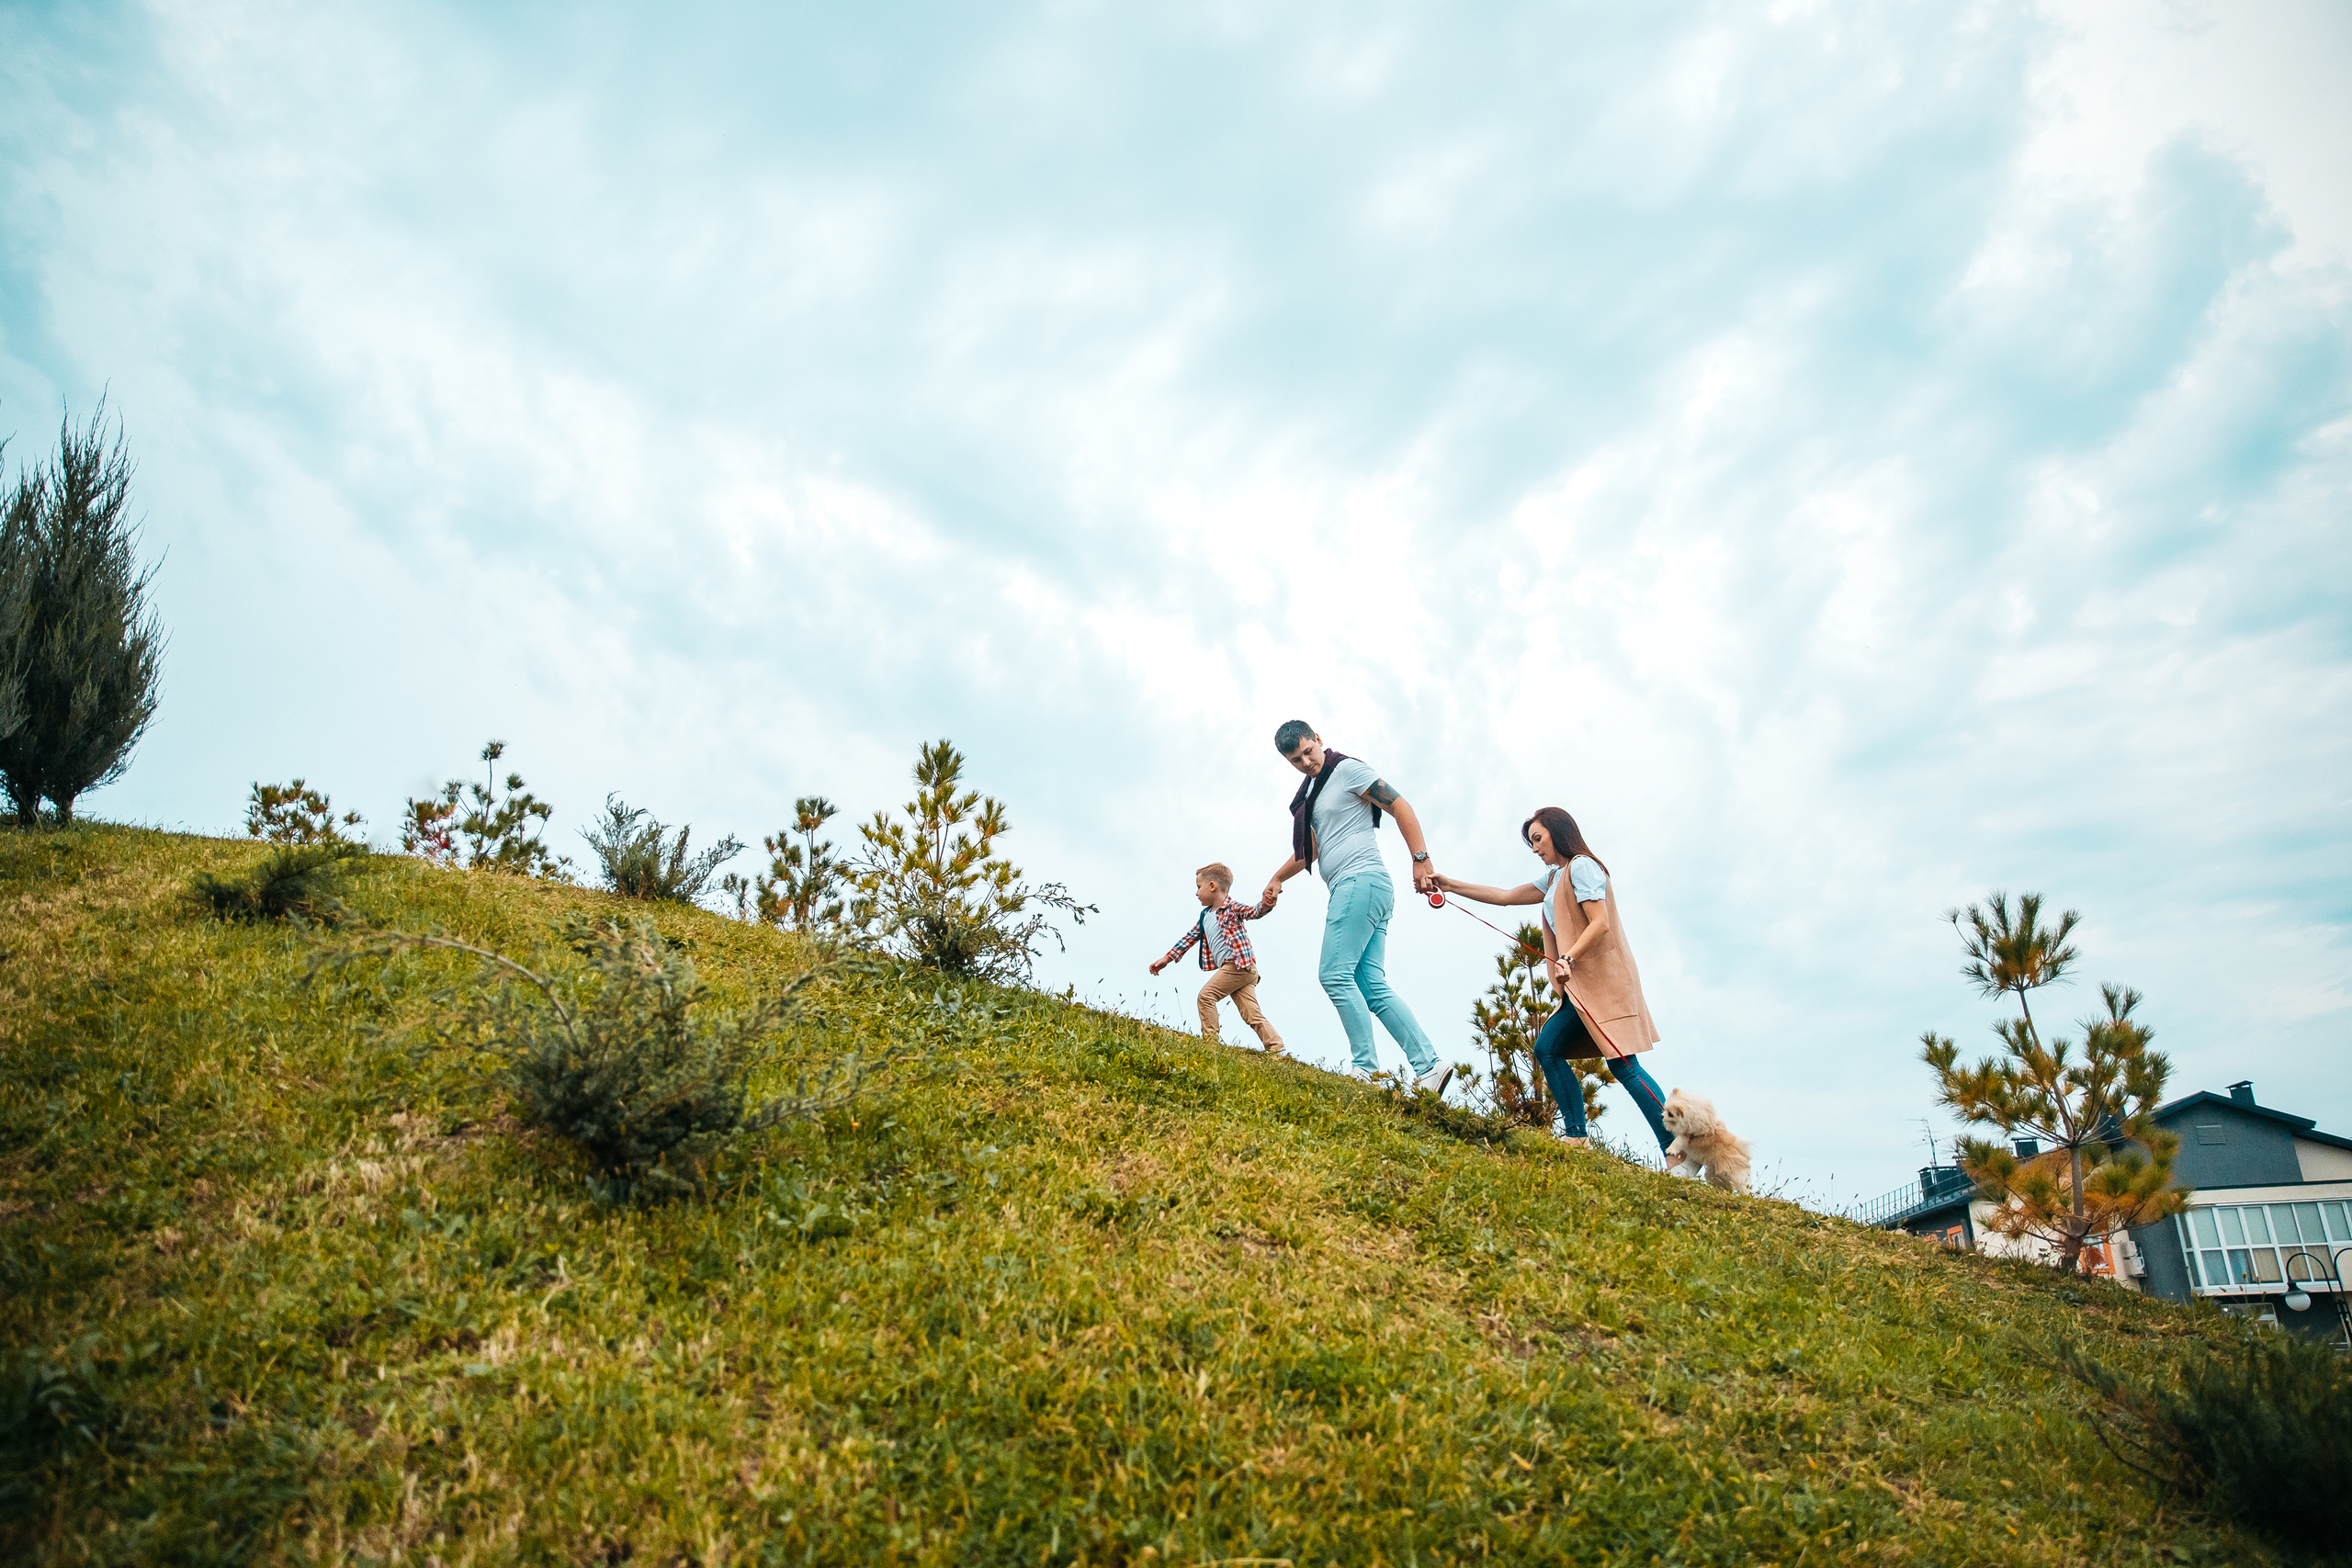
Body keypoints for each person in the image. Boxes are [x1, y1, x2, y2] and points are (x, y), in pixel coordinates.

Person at [1435, 807, 1679, 1160]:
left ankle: (1675, 1147)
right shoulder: (1554, 878)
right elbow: (1504, 896)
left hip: (1603, 982)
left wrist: (1568, 958)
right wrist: (1449, 884)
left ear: (1558, 831)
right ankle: (1578, 1136)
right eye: (1530, 843)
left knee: (1622, 1065)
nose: (1535, 848)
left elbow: (1600, 922)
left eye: (1538, 838)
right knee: (1551, 1049)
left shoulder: (1582, 866)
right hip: (1579, 988)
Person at [1259, 720, 1453, 1093]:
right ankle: (1430, 1066)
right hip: (1362, 889)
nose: (1306, 762)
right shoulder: (1311, 795)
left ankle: (1365, 1069)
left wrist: (1421, 858)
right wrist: (1278, 878)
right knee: (1370, 984)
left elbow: (1399, 804)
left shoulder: (1347, 770)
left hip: (1360, 882)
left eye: (1308, 752)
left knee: (1334, 975)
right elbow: (1311, 849)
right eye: (1296, 760)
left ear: (1318, 739)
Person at [1149, 863, 1287, 1055]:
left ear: (1212, 886)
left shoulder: (1231, 907)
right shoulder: (1206, 916)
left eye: (1199, 887)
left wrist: (1266, 903)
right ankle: (1278, 1049)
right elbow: (1189, 938)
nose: (1197, 893)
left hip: (1239, 966)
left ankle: (1210, 1044)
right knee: (1252, 1014)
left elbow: (1253, 912)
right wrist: (1167, 958)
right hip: (1240, 970)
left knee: (1206, 996)